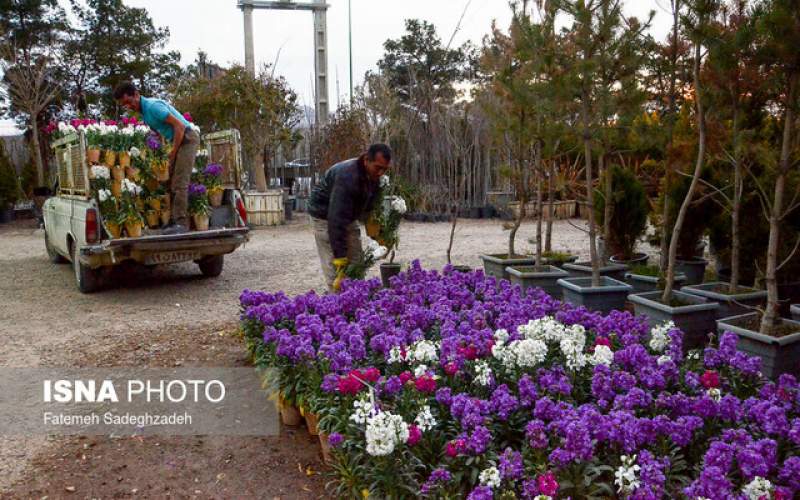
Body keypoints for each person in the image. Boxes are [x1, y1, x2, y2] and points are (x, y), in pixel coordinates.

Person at [113, 81, 198, 235]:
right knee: (169, 181)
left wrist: (172, 153)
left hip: (187, 138)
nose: (128, 106)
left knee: (180, 182)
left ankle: (181, 224)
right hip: (178, 140)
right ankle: (173, 221)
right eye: (124, 105)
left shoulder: (152, 107)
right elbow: (158, 132)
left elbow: (179, 126)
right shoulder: (144, 113)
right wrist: (159, 153)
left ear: (137, 95)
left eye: (129, 102)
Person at [308, 144, 392, 292]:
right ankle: (336, 305)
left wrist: (378, 234)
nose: (381, 173)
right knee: (335, 272)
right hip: (324, 215)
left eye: (384, 169)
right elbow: (336, 221)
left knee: (356, 263)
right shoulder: (347, 177)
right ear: (366, 160)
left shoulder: (374, 177)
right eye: (378, 167)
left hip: (348, 214)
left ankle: (358, 302)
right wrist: (340, 261)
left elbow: (370, 208)